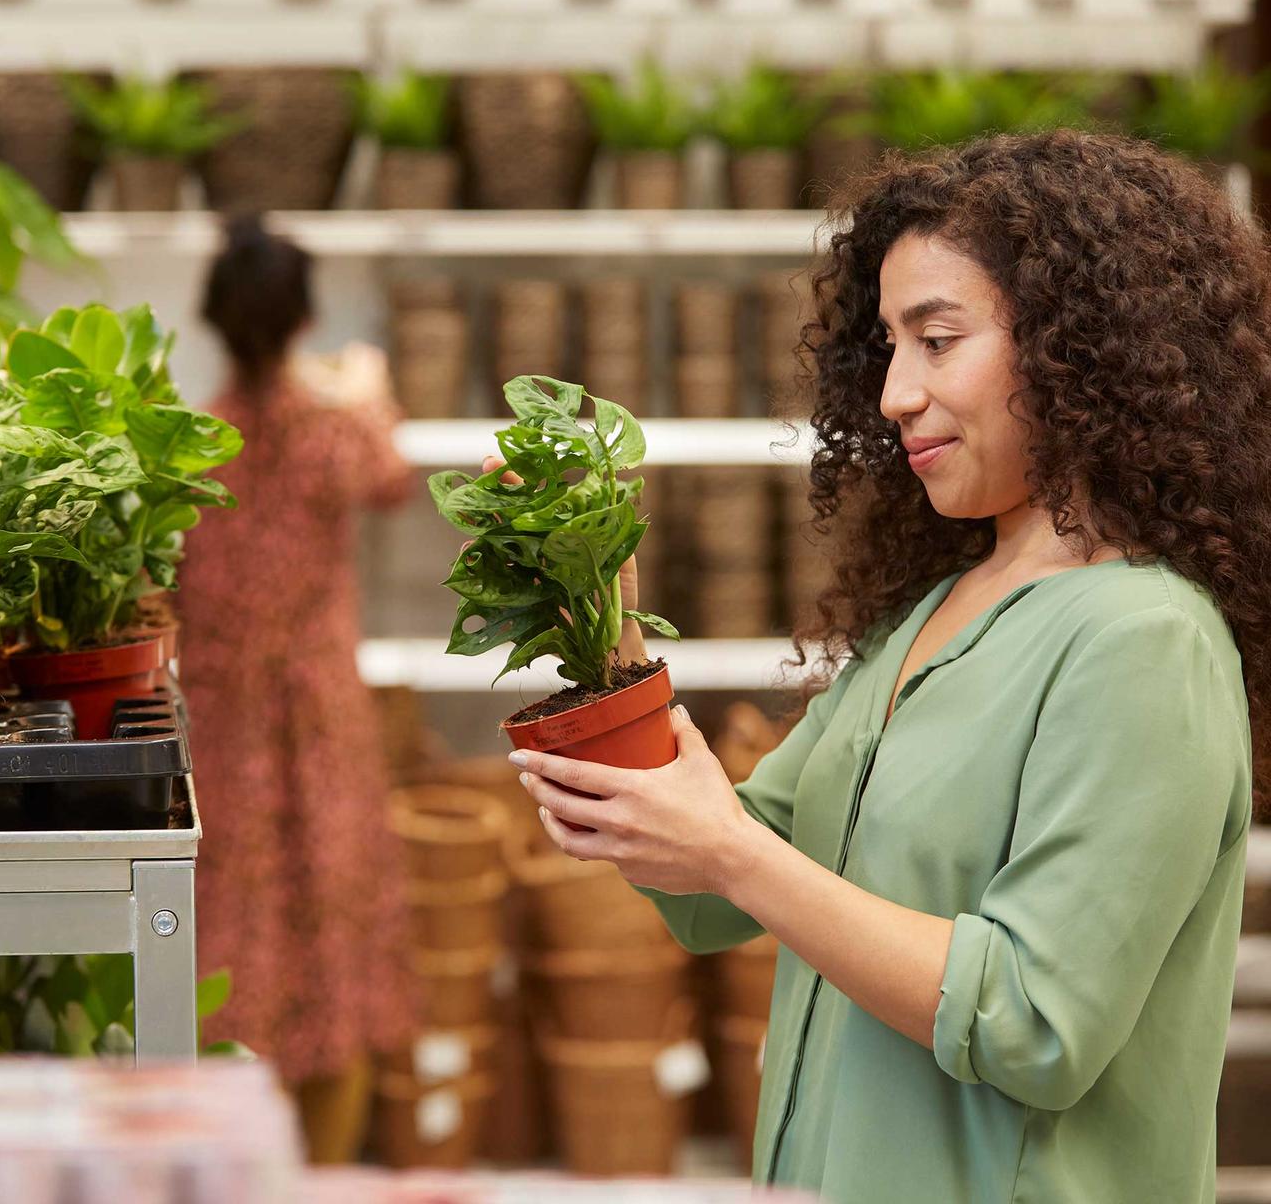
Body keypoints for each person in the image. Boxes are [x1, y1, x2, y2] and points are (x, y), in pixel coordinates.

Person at [503, 129, 1268, 1202]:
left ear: (1075, 345)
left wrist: (727, 854)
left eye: (936, 339)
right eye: (886, 348)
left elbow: (1036, 1022)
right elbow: (719, 884)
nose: (894, 393)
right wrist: (593, 591)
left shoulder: (1143, 641)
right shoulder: (929, 617)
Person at [180, 214, 416, 1163]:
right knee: (335, 929)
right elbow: (394, 478)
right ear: (300, 315)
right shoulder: (333, 430)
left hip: (221, 719)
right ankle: (319, 1174)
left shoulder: (194, 444)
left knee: (233, 933)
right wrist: (370, 385)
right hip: (319, 715)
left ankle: (231, 1162)